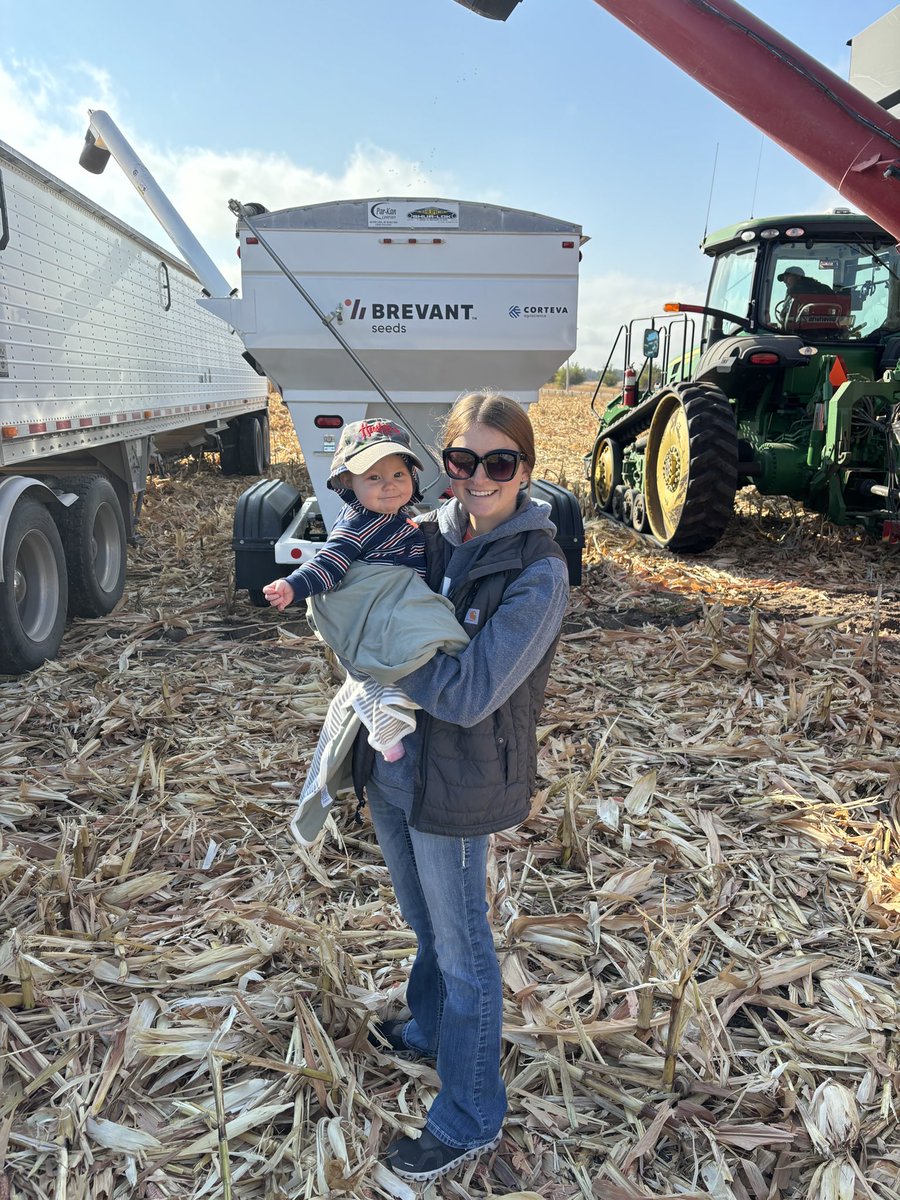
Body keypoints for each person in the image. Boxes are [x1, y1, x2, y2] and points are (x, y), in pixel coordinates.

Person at [353, 392, 570, 1183]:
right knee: (422, 920)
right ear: (444, 463)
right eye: (463, 459)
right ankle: (429, 1026)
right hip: (393, 766)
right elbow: (350, 580)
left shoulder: (538, 572)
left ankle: (471, 1115)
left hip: (459, 780)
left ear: (525, 470)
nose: (480, 476)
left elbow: (472, 692)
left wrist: (373, 648)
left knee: (463, 946)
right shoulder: (425, 536)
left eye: (499, 462)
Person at [263, 418, 465, 764]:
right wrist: (293, 586)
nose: (389, 485)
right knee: (440, 637)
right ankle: (387, 708)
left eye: (399, 474)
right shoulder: (358, 524)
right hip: (382, 602)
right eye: (374, 478)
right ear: (347, 481)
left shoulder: (396, 516)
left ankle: (377, 703)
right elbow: (329, 562)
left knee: (404, 653)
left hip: (396, 602)